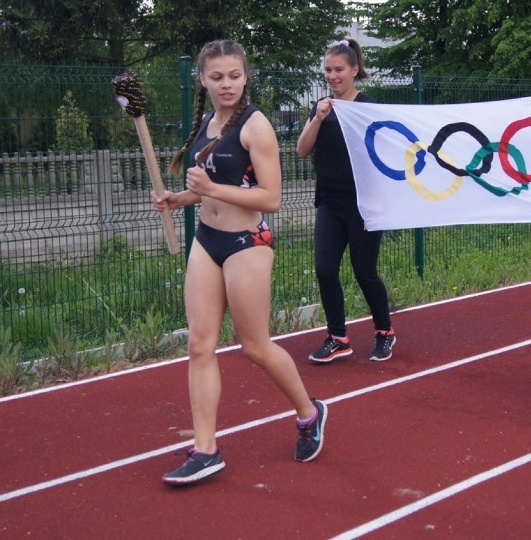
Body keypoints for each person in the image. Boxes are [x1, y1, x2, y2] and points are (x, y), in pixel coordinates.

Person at [152, 39, 327, 486]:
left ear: (245, 77)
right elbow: (213, 185)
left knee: (254, 346)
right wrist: (179, 198)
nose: (226, 84)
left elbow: (270, 198)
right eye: (216, 77)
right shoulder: (208, 123)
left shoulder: (256, 126)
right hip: (205, 241)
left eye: (234, 75)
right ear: (203, 80)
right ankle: (205, 449)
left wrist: (208, 190)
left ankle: (309, 413)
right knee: (199, 345)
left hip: (247, 242)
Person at [296, 38, 396, 363]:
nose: (332, 76)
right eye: (327, 70)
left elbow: (385, 151)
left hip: (363, 203)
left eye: (339, 69)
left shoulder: (367, 107)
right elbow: (302, 149)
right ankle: (338, 337)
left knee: (364, 272)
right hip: (329, 201)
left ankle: (384, 332)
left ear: (355, 70)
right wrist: (317, 118)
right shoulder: (322, 107)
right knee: (325, 269)